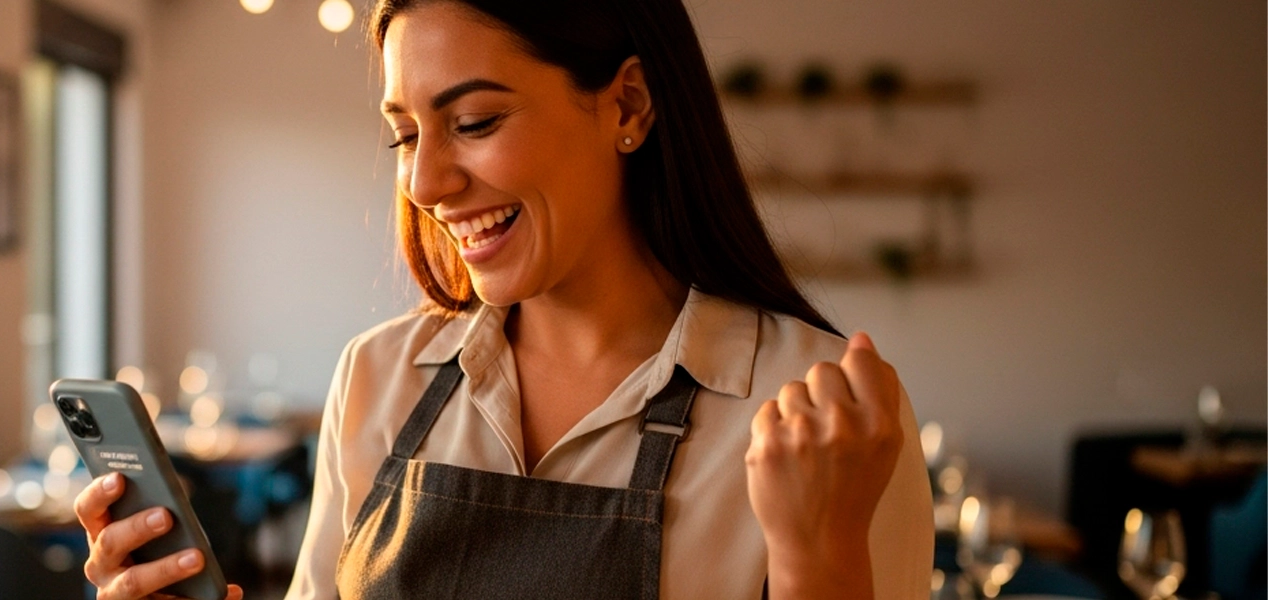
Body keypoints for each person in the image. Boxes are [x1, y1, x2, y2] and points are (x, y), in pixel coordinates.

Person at [75, 0, 934, 598]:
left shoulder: (821, 412)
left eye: (475, 121)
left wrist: (820, 564)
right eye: (405, 135)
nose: (426, 181)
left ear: (628, 103)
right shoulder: (381, 375)